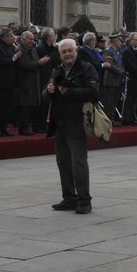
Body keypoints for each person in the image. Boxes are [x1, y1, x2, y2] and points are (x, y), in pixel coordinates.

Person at [45, 37, 100, 214]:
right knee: (63, 161)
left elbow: (93, 92)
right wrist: (49, 91)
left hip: (77, 121)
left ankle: (84, 200)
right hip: (59, 121)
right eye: (64, 52)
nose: (67, 54)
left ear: (76, 51)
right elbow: (45, 95)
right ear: (60, 54)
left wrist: (69, 92)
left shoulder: (86, 68)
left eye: (70, 51)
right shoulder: (57, 70)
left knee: (78, 162)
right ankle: (69, 198)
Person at [120, 33, 137, 126]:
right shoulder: (127, 51)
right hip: (131, 79)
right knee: (129, 99)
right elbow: (130, 66)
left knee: (135, 99)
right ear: (131, 40)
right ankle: (126, 118)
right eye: (136, 40)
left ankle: (132, 117)